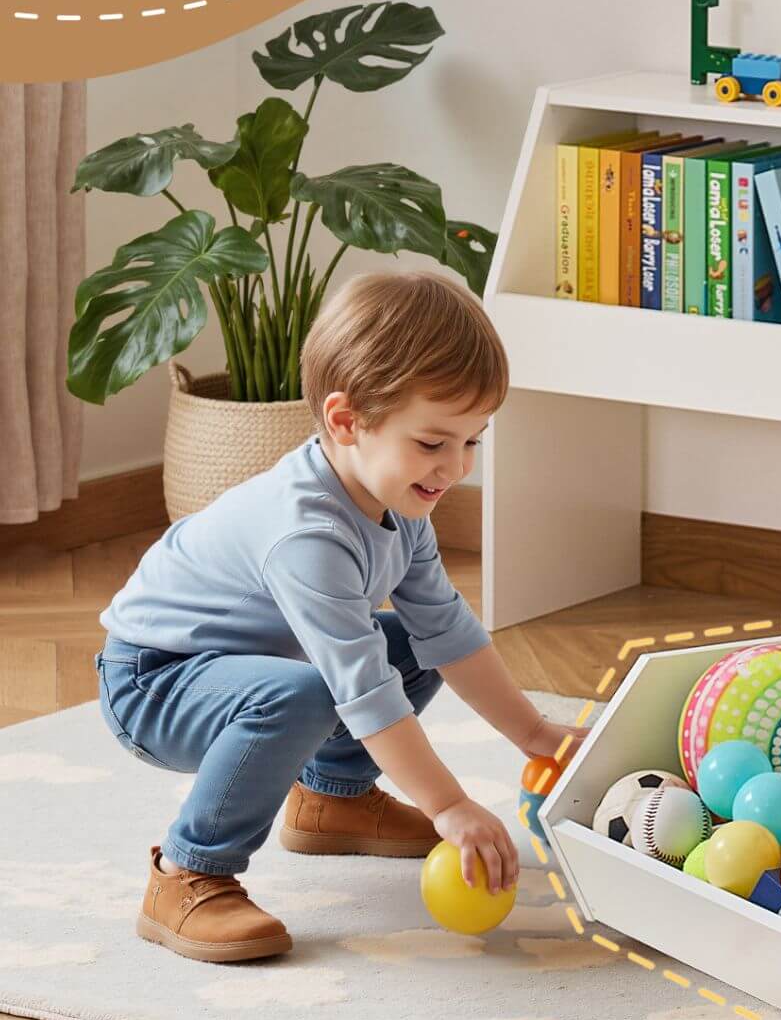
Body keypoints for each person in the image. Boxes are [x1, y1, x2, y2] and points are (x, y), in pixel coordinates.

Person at [95, 270, 581, 963]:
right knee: (313, 690)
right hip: (152, 683)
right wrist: (449, 805)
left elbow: (445, 630)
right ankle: (187, 872)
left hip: (251, 668)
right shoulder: (307, 535)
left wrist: (534, 733)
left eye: (472, 442)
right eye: (434, 443)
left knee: (408, 644)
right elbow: (361, 689)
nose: (456, 467)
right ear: (346, 421)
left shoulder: (399, 499)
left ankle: (335, 797)